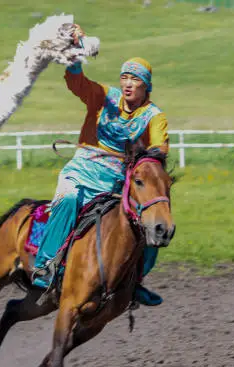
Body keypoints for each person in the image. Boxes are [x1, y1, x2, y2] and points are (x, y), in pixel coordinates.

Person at [32, 36, 169, 306]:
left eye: (135, 79)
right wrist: (74, 60)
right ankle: (46, 267)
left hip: (117, 184)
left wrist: (143, 156)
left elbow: (160, 149)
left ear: (147, 86)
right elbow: (77, 84)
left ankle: (136, 282)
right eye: (125, 77)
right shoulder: (104, 96)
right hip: (82, 172)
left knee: (150, 225)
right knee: (69, 199)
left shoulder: (154, 115)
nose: (128, 83)